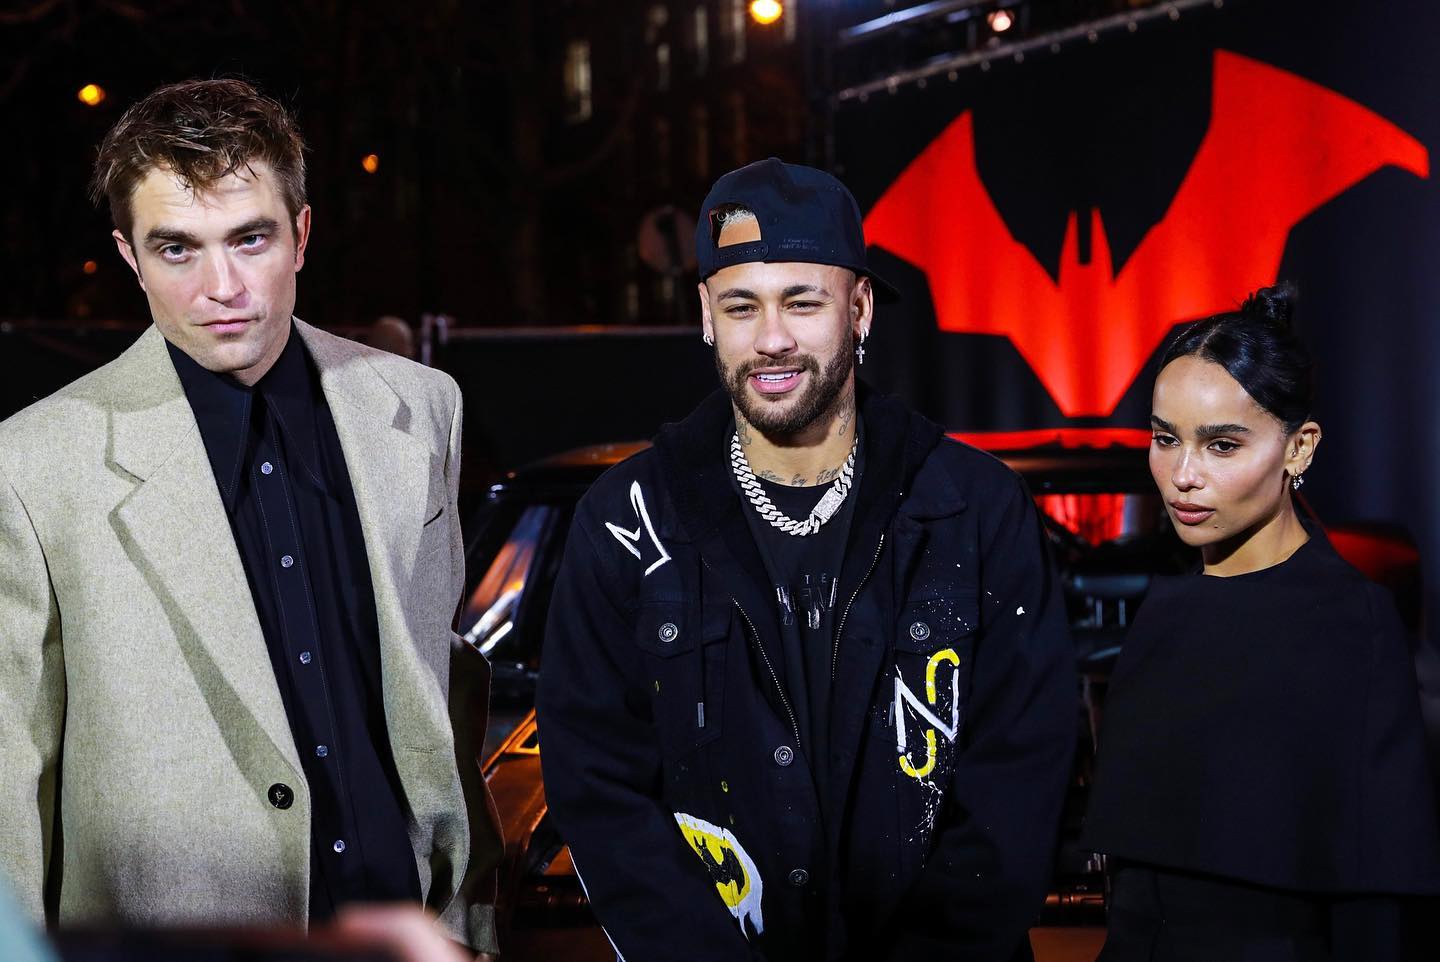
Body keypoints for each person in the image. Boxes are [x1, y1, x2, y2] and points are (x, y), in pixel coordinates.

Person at [0, 79, 501, 957]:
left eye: (249, 238)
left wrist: (468, 925)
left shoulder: (422, 408)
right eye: (177, 249)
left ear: (301, 235)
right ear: (129, 256)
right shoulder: (34, 464)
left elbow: (439, 683)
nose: (221, 287)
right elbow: (12, 773)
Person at [537, 158, 1076, 961]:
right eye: (741, 306)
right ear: (706, 316)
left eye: (802, 301)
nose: (772, 339)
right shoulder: (626, 520)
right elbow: (599, 786)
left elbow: (1021, 779)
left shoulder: (974, 509)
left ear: (859, 308)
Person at [1081, 285, 1440, 960]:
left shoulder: (1351, 629)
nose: (1183, 475)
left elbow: (1377, 892)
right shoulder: (1164, 616)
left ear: (1299, 449)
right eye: (1165, 439)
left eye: (1221, 445)